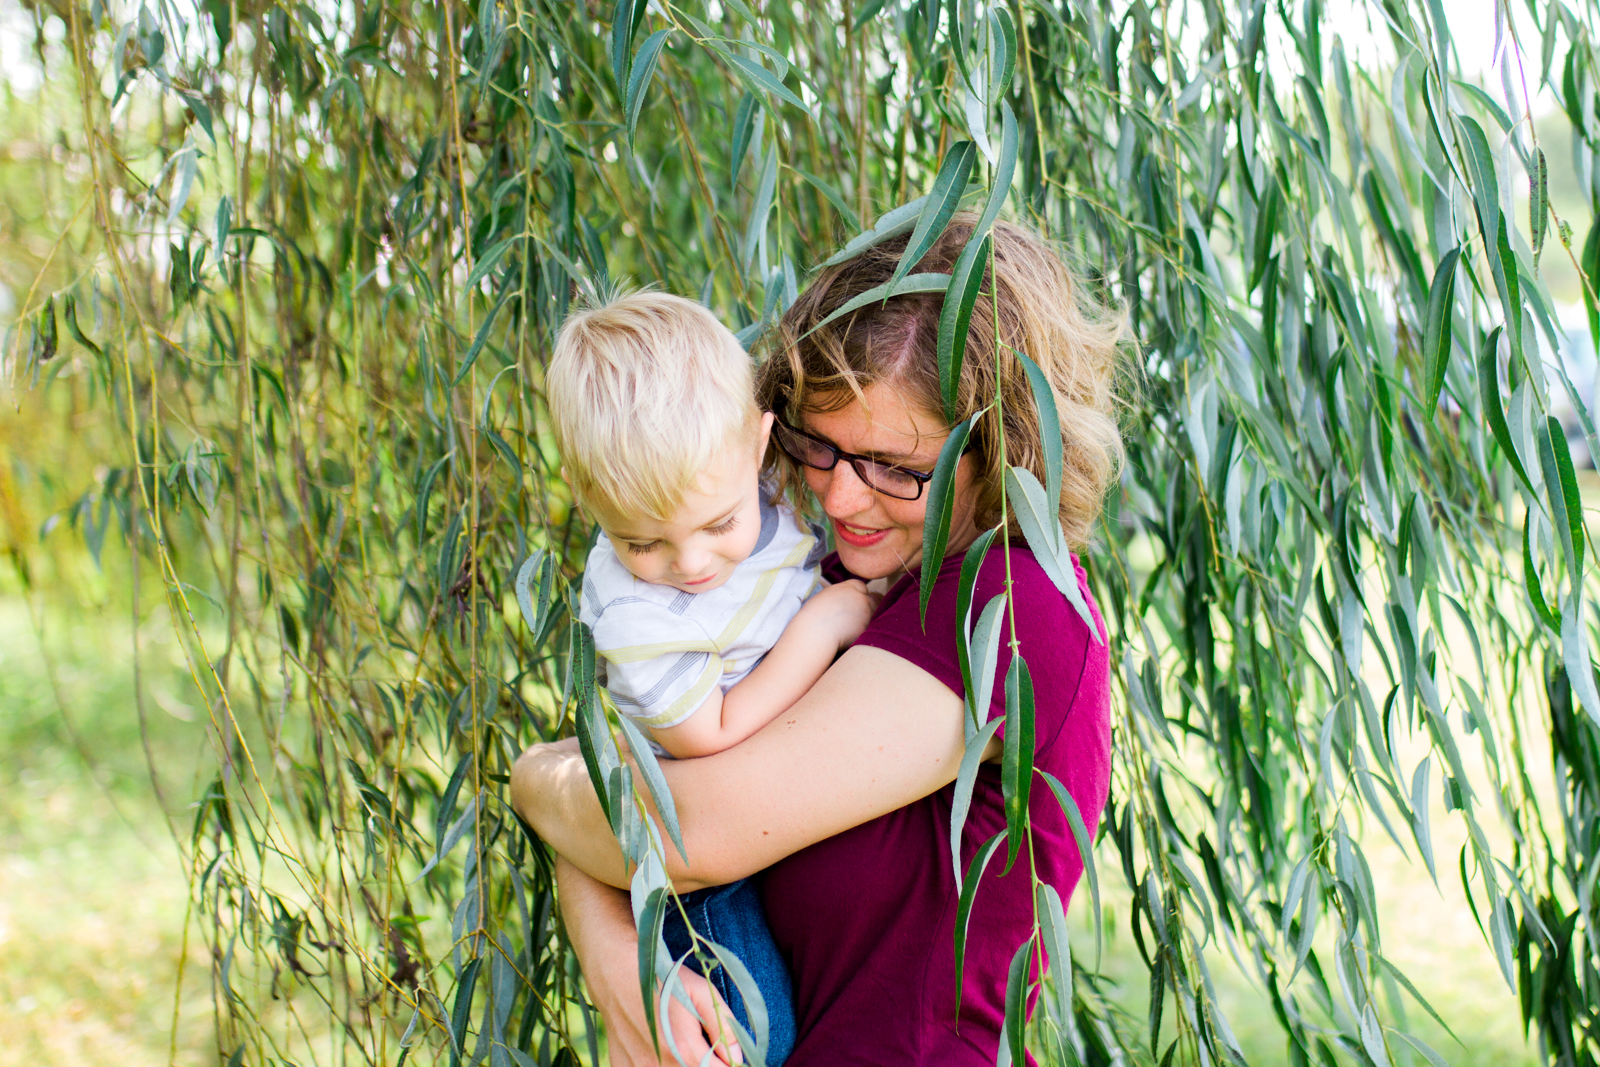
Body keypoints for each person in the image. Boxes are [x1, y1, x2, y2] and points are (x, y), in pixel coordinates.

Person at [513, 214, 1125, 1066]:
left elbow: (680, 827)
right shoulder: (837, 576)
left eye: (895, 467)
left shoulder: (1015, 613)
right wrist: (618, 954)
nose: (838, 499)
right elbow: (631, 782)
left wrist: (530, 779)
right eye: (818, 445)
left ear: (1000, 451)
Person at [543, 290, 883, 1065]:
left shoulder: (755, 482)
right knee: (750, 1036)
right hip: (699, 878)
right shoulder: (634, 610)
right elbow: (710, 732)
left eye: (719, 525)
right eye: (641, 541)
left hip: (765, 824)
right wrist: (824, 624)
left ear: (761, 445)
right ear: (589, 498)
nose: (690, 565)